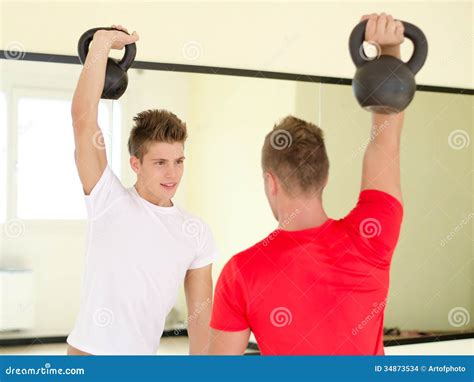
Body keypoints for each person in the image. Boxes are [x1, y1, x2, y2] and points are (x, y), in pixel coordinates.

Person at [209, 13, 405, 355]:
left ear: (271, 182)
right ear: (325, 175)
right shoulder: (372, 238)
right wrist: (390, 49)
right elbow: (384, 142)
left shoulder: (240, 273)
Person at [67, 25, 218, 355]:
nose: (172, 173)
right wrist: (102, 44)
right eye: (160, 162)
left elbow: (201, 318)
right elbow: (83, 118)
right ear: (136, 163)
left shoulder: (196, 233)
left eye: (179, 161)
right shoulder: (108, 199)